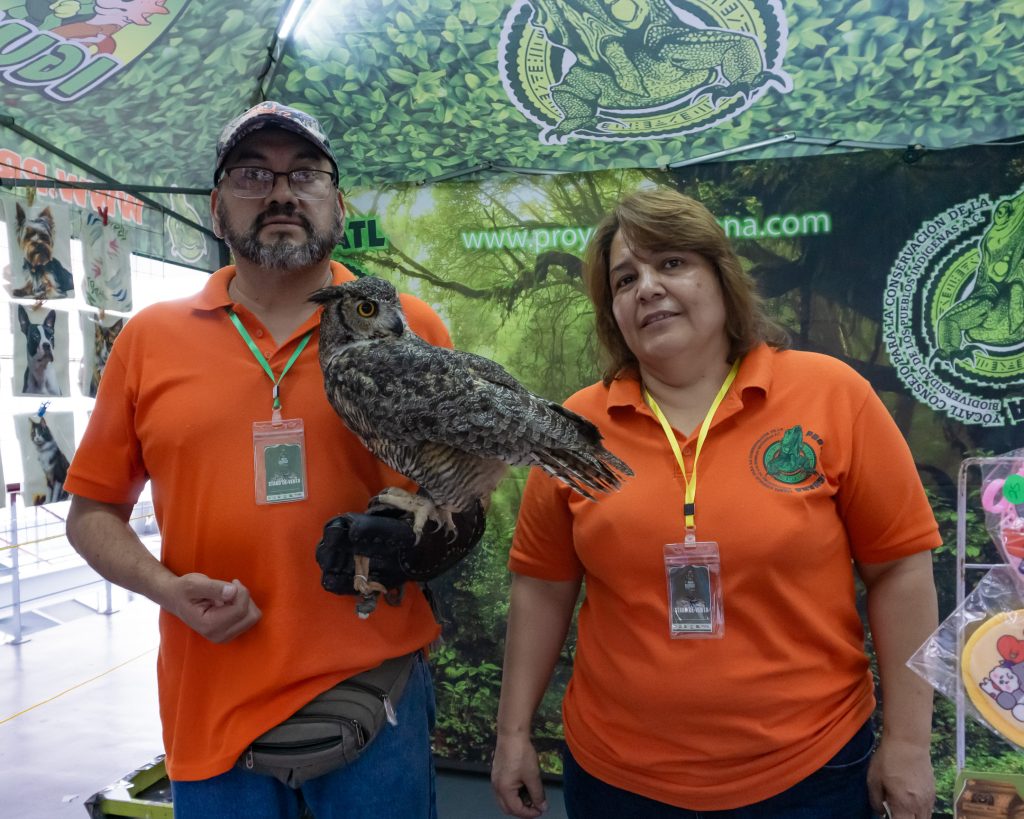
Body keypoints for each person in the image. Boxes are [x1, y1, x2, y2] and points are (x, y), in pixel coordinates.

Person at [65, 101, 480, 818]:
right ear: (219, 207)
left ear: (339, 204)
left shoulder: (411, 329)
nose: (282, 191)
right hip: (214, 709)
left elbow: (467, 501)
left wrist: (424, 544)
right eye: (253, 173)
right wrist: (165, 587)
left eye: (306, 173)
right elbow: (91, 513)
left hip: (375, 700)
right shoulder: (149, 340)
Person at [490, 189, 940, 819]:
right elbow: (541, 588)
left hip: (811, 775)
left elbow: (900, 569)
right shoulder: (571, 428)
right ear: (611, 311)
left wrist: (909, 741)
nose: (647, 287)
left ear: (722, 278)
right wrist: (513, 735)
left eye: (671, 263)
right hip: (619, 781)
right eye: (625, 279)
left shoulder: (832, 396)